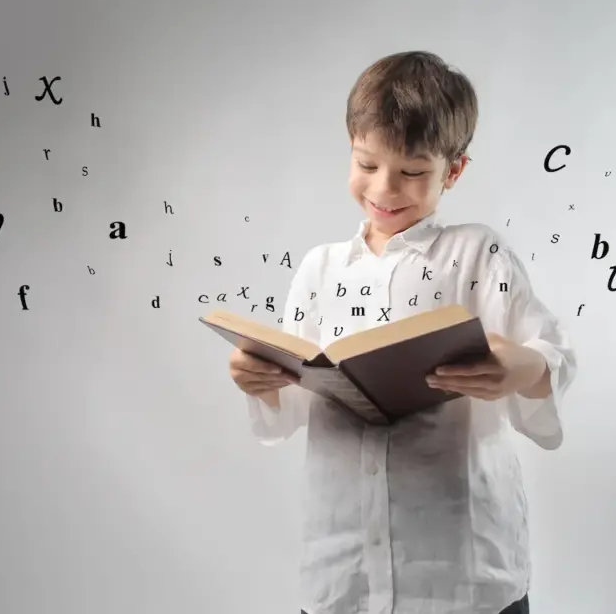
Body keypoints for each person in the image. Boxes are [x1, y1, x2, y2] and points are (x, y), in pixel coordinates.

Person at [228, 51, 577, 614]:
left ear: (453, 171)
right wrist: (260, 379)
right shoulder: (320, 269)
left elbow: (551, 356)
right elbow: (291, 405)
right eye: (366, 164)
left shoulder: (477, 254)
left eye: (413, 172)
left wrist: (521, 367)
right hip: (343, 573)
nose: (385, 188)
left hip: (462, 570)